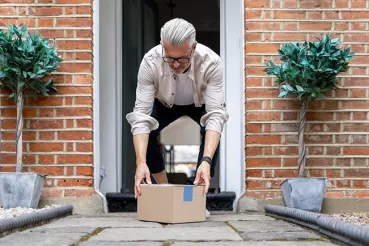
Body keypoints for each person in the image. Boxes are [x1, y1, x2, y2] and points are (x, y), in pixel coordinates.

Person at [126, 18, 229, 201]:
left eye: (182, 58)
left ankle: (195, 199)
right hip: (164, 103)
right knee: (143, 132)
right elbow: (141, 116)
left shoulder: (211, 62)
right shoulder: (150, 62)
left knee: (213, 131)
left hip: (201, 104)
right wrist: (140, 162)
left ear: (194, 47)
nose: (175, 64)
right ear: (162, 46)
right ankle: (165, 193)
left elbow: (215, 115)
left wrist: (206, 161)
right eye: (170, 58)